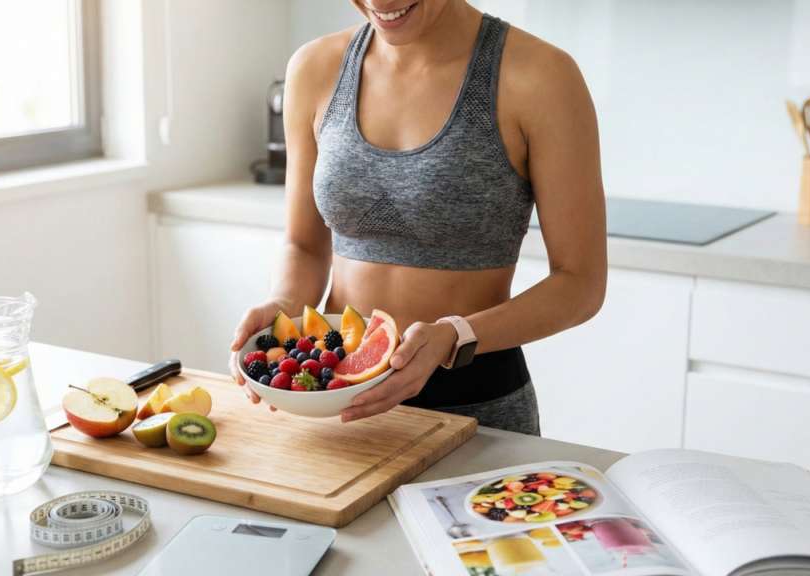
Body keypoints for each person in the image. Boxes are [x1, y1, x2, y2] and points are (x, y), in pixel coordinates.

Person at [229, 0, 606, 434]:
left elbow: (581, 283)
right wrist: (283, 305)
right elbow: (305, 246)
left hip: (474, 406)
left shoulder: (541, 76)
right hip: (332, 401)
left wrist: (455, 335)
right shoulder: (315, 68)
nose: (381, 3)